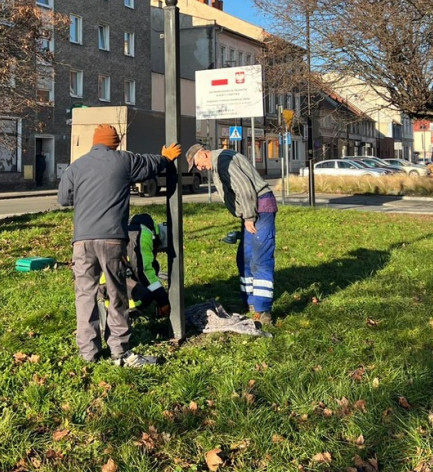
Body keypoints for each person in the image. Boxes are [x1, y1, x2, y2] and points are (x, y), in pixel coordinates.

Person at [58, 124, 181, 367]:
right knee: (117, 293)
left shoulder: (76, 166)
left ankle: (88, 353)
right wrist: (165, 158)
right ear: (115, 143)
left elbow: (64, 199)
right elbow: (148, 165)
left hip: (81, 241)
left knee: (85, 295)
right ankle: (120, 351)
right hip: (112, 239)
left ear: (95, 142)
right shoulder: (123, 160)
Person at [186, 143, 277, 325]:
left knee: (260, 258)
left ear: (203, 154)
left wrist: (249, 217)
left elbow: (244, 188)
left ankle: (263, 310)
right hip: (252, 210)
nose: (199, 168)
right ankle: (250, 301)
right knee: (245, 258)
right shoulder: (219, 162)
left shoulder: (223, 161)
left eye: (196, 164)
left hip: (260, 208)